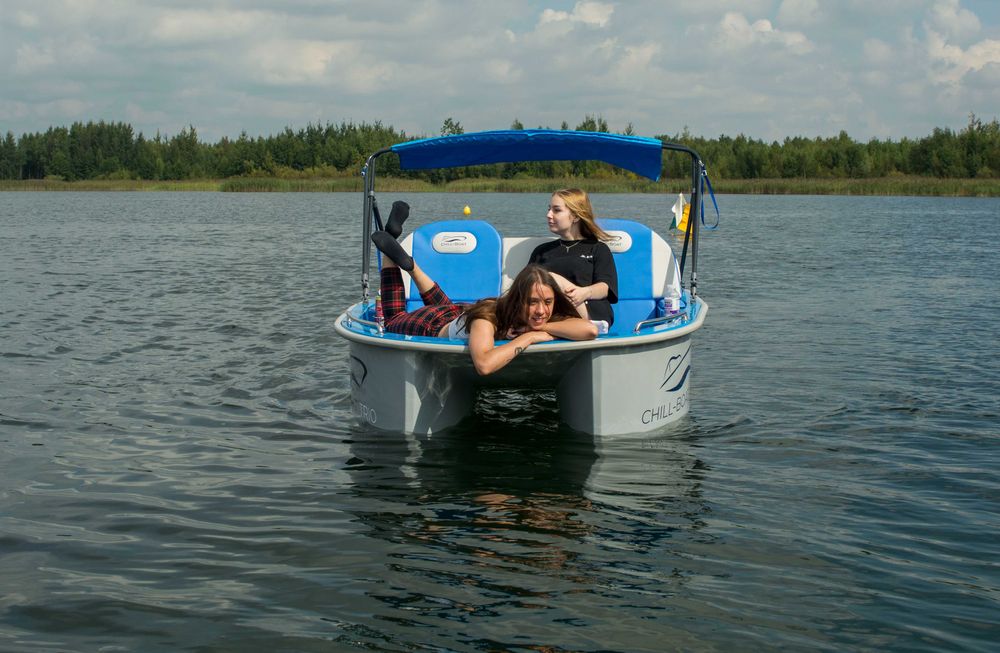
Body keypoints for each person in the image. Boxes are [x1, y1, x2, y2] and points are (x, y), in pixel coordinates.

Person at [371, 217, 597, 376]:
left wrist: (539, 328)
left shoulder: (539, 317)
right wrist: (528, 338)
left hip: (458, 312)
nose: (541, 311)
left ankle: (411, 266)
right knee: (392, 320)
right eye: (533, 303)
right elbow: (484, 365)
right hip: (432, 324)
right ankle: (390, 250)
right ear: (519, 301)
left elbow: (589, 330)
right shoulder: (488, 319)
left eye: (548, 302)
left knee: (448, 307)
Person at [529, 188, 618, 326]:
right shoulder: (542, 251)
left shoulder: (597, 249)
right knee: (487, 308)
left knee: (549, 277)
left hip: (587, 311)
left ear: (576, 216)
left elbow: (606, 287)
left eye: (556, 210)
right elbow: (526, 285)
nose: (548, 214)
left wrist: (584, 292)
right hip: (550, 312)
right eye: (549, 209)